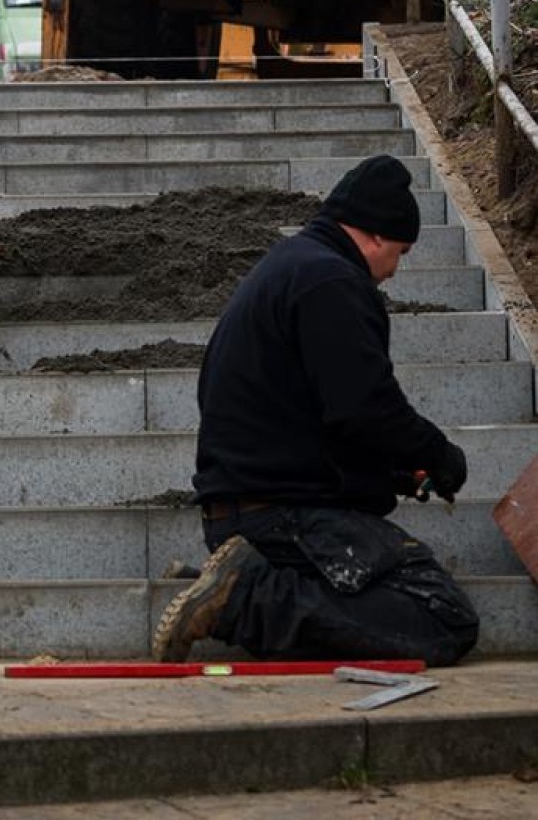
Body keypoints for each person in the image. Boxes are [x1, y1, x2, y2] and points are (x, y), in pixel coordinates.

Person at [153, 154, 479, 667]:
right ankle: (244, 599)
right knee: (443, 616)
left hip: (254, 506)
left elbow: (313, 418)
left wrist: (391, 473)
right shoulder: (332, 283)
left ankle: (232, 586)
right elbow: (365, 409)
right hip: (281, 516)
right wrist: (438, 454)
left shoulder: (294, 268)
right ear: (374, 235)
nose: (394, 271)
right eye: (401, 251)